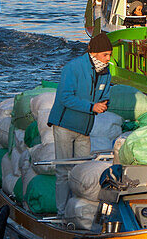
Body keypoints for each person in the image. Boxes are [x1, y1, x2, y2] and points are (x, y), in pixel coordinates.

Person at [48, 32, 114, 214]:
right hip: (65, 126)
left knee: (83, 172)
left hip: (84, 128)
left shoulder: (106, 72)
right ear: (93, 53)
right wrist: (92, 107)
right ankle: (62, 211)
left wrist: (104, 104)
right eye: (105, 55)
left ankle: (78, 212)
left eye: (110, 55)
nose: (108, 59)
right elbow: (65, 97)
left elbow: (105, 95)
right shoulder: (73, 68)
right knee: (63, 171)